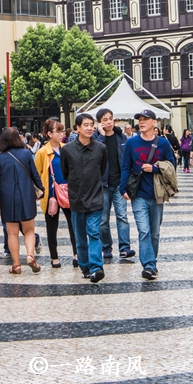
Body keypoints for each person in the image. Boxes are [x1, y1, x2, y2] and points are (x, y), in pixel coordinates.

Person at [121, 109, 177, 281]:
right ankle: (149, 265)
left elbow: (171, 165)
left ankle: (152, 261)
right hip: (138, 193)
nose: (142, 122)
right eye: (140, 119)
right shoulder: (131, 143)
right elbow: (125, 166)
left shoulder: (163, 144)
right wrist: (122, 188)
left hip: (157, 193)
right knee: (144, 230)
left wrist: (154, 168)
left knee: (154, 232)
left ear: (155, 123)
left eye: (146, 119)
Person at [62, 112, 109, 282]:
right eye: (86, 125)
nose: (90, 128)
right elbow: (65, 172)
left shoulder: (100, 148)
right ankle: (84, 266)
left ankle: (97, 267)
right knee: (80, 237)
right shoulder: (67, 149)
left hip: (96, 198)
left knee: (94, 233)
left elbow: (102, 170)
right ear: (78, 128)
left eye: (91, 125)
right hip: (76, 199)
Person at [0, 127, 44, 274]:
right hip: (27, 194)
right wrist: (41, 190)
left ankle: (16, 265)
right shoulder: (26, 154)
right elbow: (35, 175)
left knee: (12, 232)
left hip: (7, 196)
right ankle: (30, 255)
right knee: (29, 230)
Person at [93, 108, 134, 261]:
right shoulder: (96, 139)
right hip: (102, 185)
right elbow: (95, 155)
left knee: (122, 216)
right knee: (103, 220)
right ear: (100, 123)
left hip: (119, 184)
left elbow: (126, 161)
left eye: (110, 118)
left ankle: (124, 247)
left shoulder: (121, 137)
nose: (109, 122)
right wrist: (102, 137)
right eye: (105, 119)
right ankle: (106, 247)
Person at [36, 119, 76, 268]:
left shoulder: (66, 148)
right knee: (52, 226)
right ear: (49, 134)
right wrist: (40, 192)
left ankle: (76, 254)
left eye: (61, 131)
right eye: (58, 131)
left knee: (74, 224)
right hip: (51, 194)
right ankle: (54, 257)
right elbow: (37, 173)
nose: (61, 134)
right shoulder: (42, 152)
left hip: (68, 192)